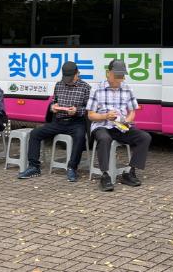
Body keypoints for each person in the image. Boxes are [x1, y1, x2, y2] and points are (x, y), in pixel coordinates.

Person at [18, 61, 91, 182]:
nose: (67, 81)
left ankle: (72, 167)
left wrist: (77, 110)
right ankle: (34, 167)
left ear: (77, 74)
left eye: (70, 78)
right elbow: (54, 101)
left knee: (80, 137)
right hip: (58, 121)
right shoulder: (59, 85)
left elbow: (89, 109)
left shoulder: (85, 88)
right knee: (35, 133)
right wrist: (53, 107)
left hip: (76, 122)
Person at [87, 59, 151, 192]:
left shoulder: (127, 88)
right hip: (102, 125)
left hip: (120, 126)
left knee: (145, 137)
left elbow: (132, 112)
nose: (119, 79)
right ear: (108, 73)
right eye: (117, 76)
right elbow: (91, 115)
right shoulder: (97, 89)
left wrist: (127, 120)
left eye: (121, 76)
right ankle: (105, 175)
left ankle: (129, 172)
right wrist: (105, 116)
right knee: (104, 138)